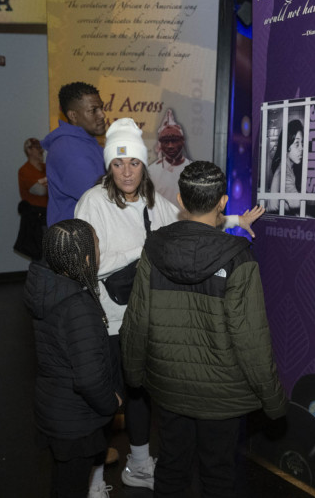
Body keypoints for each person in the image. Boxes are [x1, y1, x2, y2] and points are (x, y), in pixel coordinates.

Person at [74, 118, 264, 491]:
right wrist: (141, 249)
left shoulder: (153, 203)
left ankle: (140, 465)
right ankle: (94, 480)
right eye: (117, 163)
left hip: (144, 319)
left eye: (133, 163)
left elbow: (193, 220)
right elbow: (87, 264)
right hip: (108, 320)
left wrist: (234, 219)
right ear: (108, 166)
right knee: (104, 403)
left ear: (144, 164)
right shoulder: (93, 203)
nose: (126, 172)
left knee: (140, 397)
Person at [120, 161, 288, 497]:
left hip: (169, 386)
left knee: (171, 466)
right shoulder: (240, 259)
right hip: (222, 395)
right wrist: (273, 401)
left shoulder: (153, 249)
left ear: (181, 200)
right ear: (223, 202)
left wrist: (134, 375)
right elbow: (251, 339)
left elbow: (136, 319)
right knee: (218, 475)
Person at [24, 219, 122, 498]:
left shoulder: (46, 287)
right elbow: (90, 379)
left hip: (52, 408)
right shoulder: (78, 307)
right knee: (72, 487)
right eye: (96, 245)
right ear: (85, 257)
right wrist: (111, 403)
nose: (99, 250)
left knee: (63, 483)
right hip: (76, 420)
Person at [42, 82, 107, 226]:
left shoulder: (87, 142)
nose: (102, 115)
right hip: (76, 243)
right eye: (93, 110)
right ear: (73, 115)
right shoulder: (68, 150)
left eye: (101, 108)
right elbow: (101, 199)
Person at [148, 108, 192, 205]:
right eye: (166, 142)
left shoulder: (194, 170)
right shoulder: (151, 171)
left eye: (174, 140)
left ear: (182, 142)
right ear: (160, 144)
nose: (170, 146)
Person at [14, 137, 48, 259]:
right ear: (29, 150)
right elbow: (40, 190)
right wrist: (53, 183)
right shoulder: (25, 171)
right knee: (41, 255)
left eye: (41, 147)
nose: (41, 151)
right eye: (37, 148)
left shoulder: (46, 168)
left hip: (49, 216)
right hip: (36, 220)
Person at [267, 119, 303, 214]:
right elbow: (297, 203)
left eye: (302, 143)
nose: (301, 148)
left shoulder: (287, 167)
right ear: (287, 145)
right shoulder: (284, 172)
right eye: (297, 144)